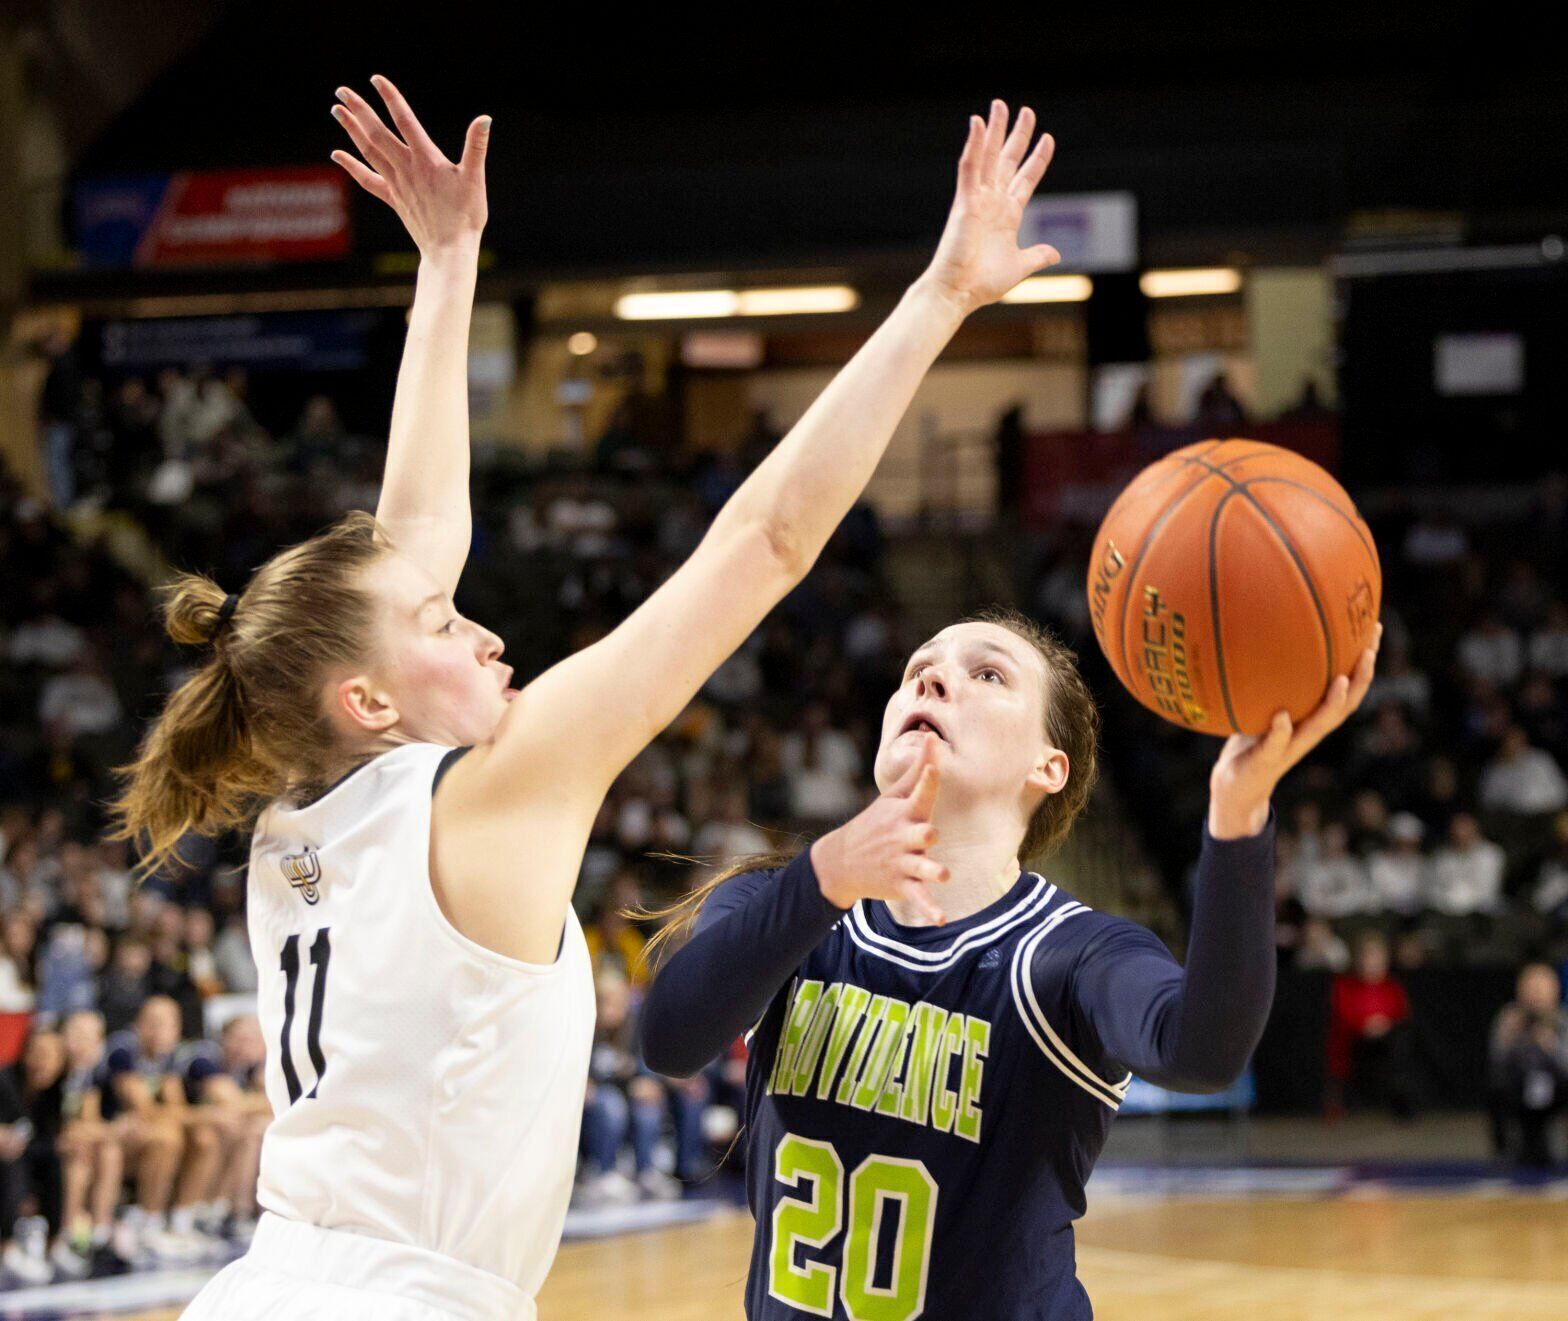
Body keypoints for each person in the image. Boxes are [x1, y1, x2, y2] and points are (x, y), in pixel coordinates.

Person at [112, 81, 1062, 1321]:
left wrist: (448, 262)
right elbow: (767, 541)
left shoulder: (300, 802)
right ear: (371, 700)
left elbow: (411, 542)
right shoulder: (487, 793)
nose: (485, 624)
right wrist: (939, 296)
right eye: (447, 624)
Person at [640, 610, 1380, 1319]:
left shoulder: (1072, 954)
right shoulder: (778, 906)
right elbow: (670, 1041)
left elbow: (1204, 1049)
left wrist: (1238, 814)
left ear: (1048, 766)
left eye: (987, 674)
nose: (931, 680)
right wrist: (823, 876)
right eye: (917, 669)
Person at [1327, 932, 1418, 1120]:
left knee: (1400, 1040)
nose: (1372, 963)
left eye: (1376, 957)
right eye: (1367, 957)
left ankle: (1401, 1102)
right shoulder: (1344, 986)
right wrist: (1365, 1026)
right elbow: (1343, 1014)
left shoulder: (1393, 987)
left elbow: (1401, 1015)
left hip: (1388, 1044)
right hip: (1356, 1043)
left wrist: (1383, 1025)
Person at [1486, 962, 1568, 1167]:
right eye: (1531, 987)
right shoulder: (1508, 1018)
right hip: (1518, 1090)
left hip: (1556, 1090)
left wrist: (1551, 1047)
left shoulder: (1563, 1021)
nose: (1536, 995)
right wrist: (1512, 1038)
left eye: (1541, 988)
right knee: (1495, 1088)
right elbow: (1496, 1061)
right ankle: (1504, 1150)